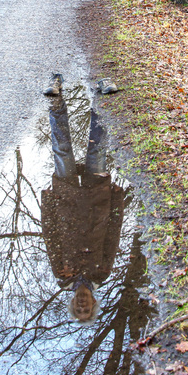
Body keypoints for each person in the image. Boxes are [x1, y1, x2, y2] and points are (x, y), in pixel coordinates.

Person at [41, 78, 128, 324]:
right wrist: (117, 199)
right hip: (97, 200)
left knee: (62, 150)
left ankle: (56, 103)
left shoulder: (62, 274)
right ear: (93, 303)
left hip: (64, 200)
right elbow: (113, 234)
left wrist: (47, 203)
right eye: (86, 310)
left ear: (71, 304)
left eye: (78, 310)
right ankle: (101, 98)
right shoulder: (102, 272)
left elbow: (50, 236)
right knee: (97, 148)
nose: (82, 306)